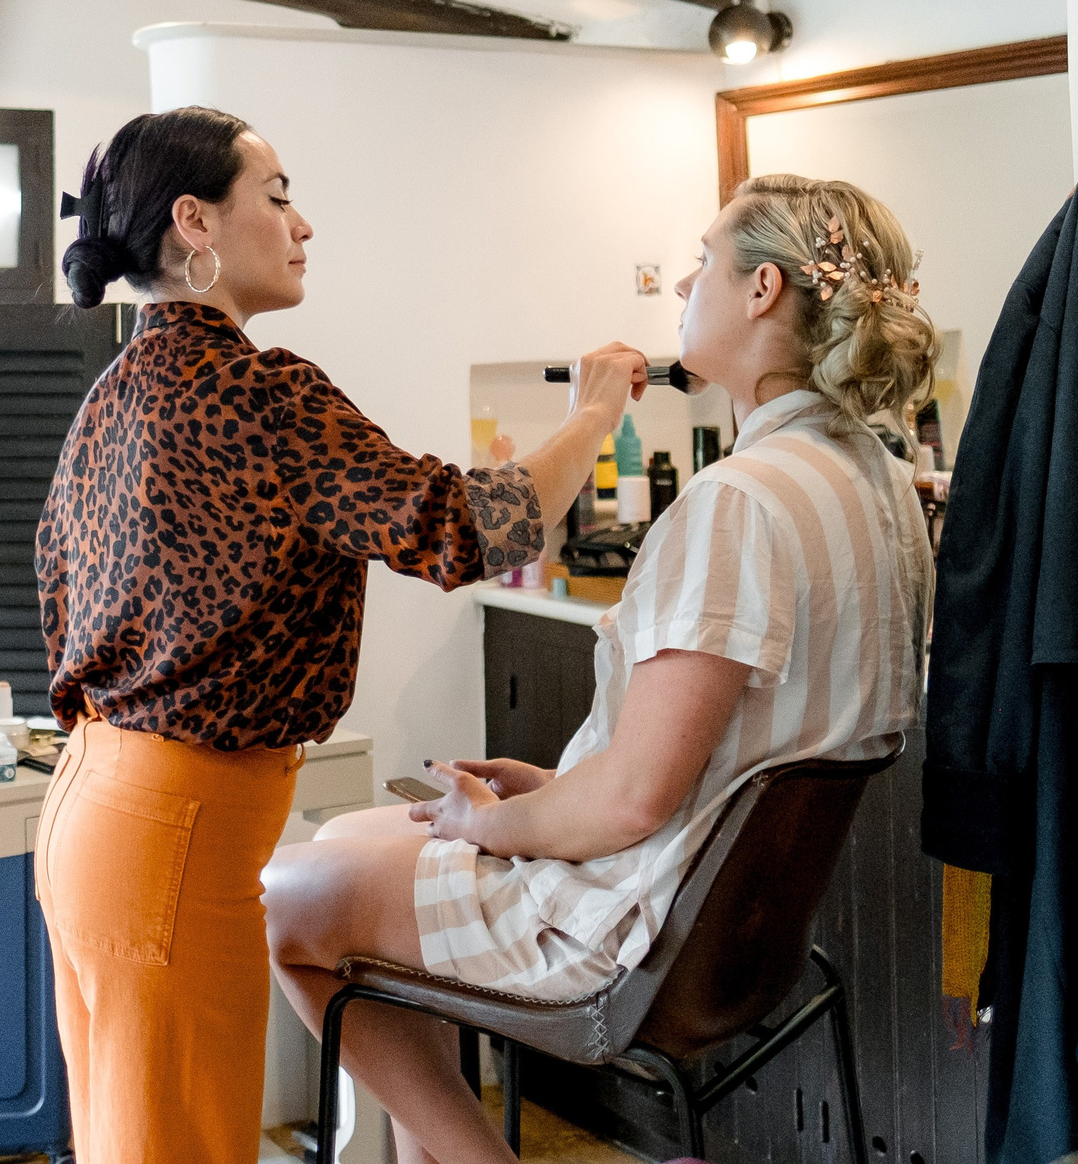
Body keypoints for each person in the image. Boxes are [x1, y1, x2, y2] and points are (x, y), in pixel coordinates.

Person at [262, 173, 939, 1164]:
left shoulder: (739, 502)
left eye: (703, 260)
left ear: (762, 290)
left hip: (634, 929)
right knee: (361, 840)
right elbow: (728, 759)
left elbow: (633, 800)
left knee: (291, 894)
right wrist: (551, 790)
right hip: (740, 932)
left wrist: (492, 824)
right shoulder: (877, 481)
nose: (683, 282)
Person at [31, 107, 646, 1164]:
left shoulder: (113, 394)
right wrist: (593, 416)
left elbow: (57, 593)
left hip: (98, 811)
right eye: (276, 197)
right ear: (194, 221)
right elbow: (469, 527)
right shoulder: (258, 391)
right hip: (174, 832)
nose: (302, 223)